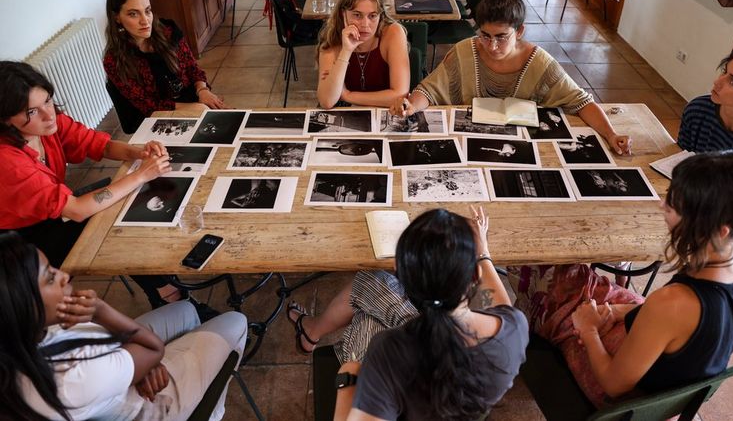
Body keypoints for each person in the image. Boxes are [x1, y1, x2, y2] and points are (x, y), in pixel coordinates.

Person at [508, 146, 733, 406]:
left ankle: (516, 345)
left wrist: (589, 330)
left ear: (718, 229)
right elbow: (680, 326)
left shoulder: (675, 302)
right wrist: (618, 311)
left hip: (627, 400)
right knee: (576, 281)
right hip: (666, 364)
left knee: (539, 276)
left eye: (674, 206)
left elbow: (613, 385)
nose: (663, 206)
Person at [0, 61, 212, 317]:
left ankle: (167, 291)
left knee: (124, 208)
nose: (48, 114)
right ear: (5, 118)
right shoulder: (8, 161)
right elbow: (77, 210)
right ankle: (169, 295)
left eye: (47, 100)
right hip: (19, 242)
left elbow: (99, 144)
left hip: (54, 210)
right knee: (119, 227)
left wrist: (139, 152)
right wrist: (141, 174)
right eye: (31, 111)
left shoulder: (48, 124)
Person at [287, 207, 528, 419]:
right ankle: (312, 331)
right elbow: (502, 307)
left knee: (365, 318)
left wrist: (348, 377)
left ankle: (311, 332)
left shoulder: (388, 350)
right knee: (370, 285)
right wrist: (482, 252)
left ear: (402, 274)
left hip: (400, 396)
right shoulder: (514, 328)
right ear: (475, 276)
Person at [0, 231, 247, 420]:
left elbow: (140, 352)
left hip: (117, 362)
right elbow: (153, 349)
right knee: (237, 321)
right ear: (20, 305)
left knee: (185, 310)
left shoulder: (26, 333)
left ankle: (191, 368)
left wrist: (143, 365)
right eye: (50, 277)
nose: (64, 275)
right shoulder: (70, 381)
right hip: (148, 407)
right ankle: (210, 411)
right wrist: (100, 311)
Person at [390, 0, 631, 155]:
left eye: (501, 37)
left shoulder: (540, 63)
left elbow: (582, 102)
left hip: (520, 150)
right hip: (467, 148)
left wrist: (611, 134)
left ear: (520, 31)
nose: (492, 46)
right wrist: (411, 106)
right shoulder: (464, 51)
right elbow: (429, 91)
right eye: (485, 36)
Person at [103, 0, 226, 127]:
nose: (145, 21)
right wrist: (195, 108)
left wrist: (202, 90)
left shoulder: (168, 31)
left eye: (147, 11)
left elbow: (192, 68)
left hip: (192, 101)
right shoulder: (113, 60)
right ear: (116, 17)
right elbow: (148, 106)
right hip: (155, 117)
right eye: (133, 14)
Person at [316, 0, 410, 109]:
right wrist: (346, 51)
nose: (365, 25)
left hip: (384, 112)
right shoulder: (332, 37)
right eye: (357, 15)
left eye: (372, 16)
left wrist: (347, 95)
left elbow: (400, 95)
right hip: (345, 112)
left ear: (380, 16)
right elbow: (327, 101)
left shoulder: (393, 33)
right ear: (343, 14)